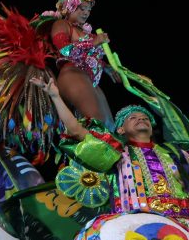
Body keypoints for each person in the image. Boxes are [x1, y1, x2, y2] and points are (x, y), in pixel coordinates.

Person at [34, 76, 189, 223]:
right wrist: (55, 97)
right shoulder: (115, 153)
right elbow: (76, 131)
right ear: (121, 129)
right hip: (135, 225)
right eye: (132, 118)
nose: (141, 119)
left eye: (145, 118)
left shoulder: (175, 152)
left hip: (181, 222)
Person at [44, 0, 113, 128]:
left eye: (88, 9)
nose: (86, 13)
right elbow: (65, 51)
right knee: (97, 125)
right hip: (72, 75)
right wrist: (93, 43)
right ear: (69, 7)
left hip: (90, 81)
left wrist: (107, 68)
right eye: (81, 8)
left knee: (110, 128)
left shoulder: (85, 31)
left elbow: (90, 57)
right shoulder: (61, 24)